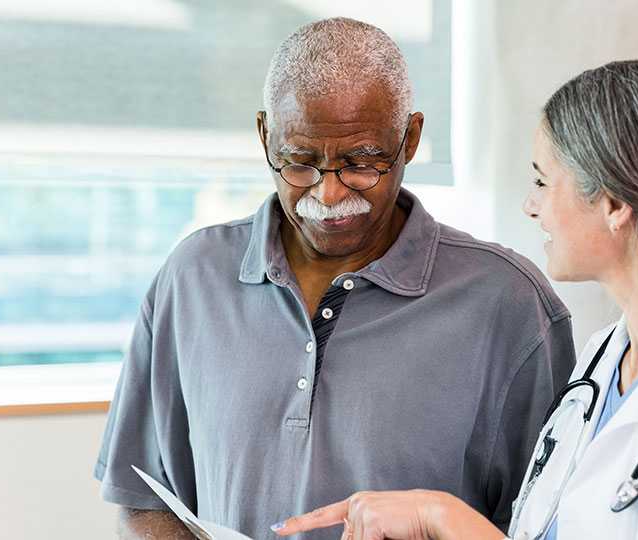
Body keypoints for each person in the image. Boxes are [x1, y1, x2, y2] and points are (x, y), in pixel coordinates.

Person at [273, 59, 638, 540]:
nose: (532, 207)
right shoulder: (606, 359)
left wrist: (447, 519)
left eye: (542, 181)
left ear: (614, 202)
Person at [93, 17, 575, 540]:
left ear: (410, 138)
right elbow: (144, 500)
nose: (327, 194)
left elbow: (550, 526)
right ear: (264, 138)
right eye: (299, 162)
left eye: (362, 161)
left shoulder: (509, 305)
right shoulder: (192, 277)